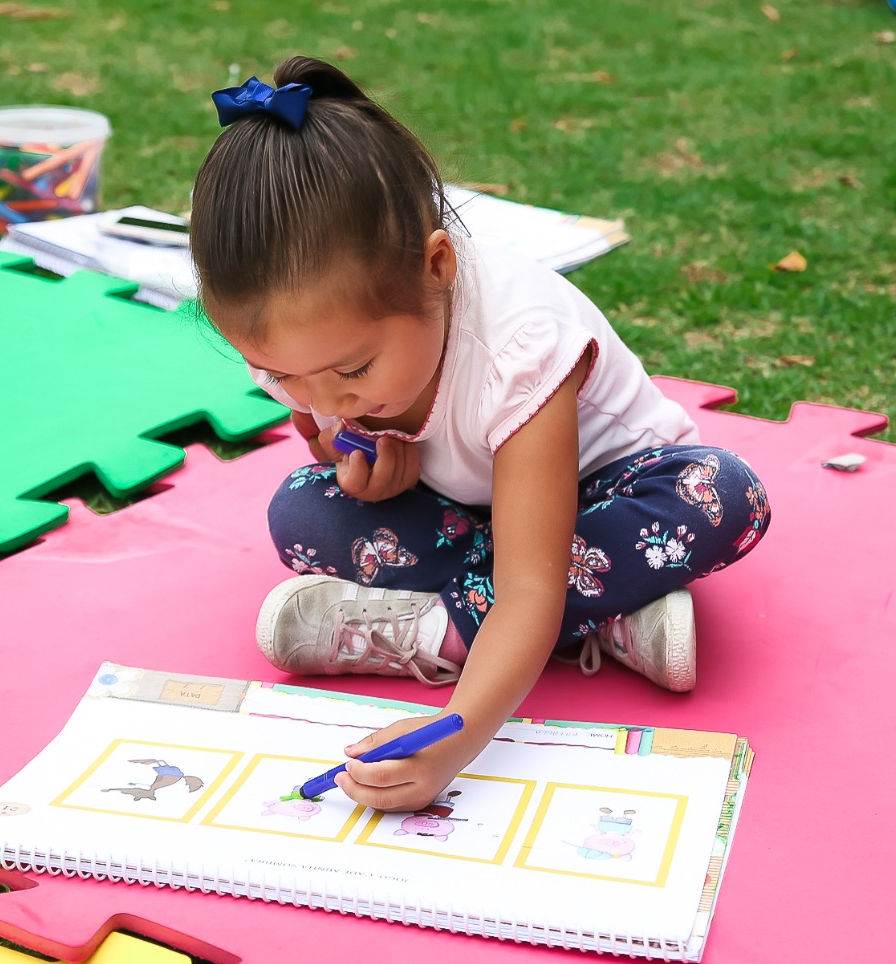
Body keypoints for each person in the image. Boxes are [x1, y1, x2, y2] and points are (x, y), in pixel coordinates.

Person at [190, 56, 771, 813]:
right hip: (476, 511)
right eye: (275, 372)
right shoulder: (313, 355)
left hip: (609, 495)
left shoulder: (519, 344)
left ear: (437, 267)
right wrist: (353, 462)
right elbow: (325, 435)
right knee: (301, 513)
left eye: (353, 370)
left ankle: (442, 632)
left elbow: (530, 579)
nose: (316, 395)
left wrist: (457, 731)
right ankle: (613, 616)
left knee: (725, 494)